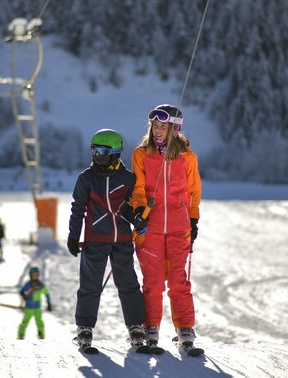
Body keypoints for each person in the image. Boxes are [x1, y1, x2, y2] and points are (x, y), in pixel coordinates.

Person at [67, 129, 147, 350]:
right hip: (95, 240)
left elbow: (130, 209)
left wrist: (138, 219)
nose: (96, 154)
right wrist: (74, 236)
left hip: (121, 240)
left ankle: (135, 327)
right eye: (93, 149)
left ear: (115, 153)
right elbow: (78, 209)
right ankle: (84, 328)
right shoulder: (86, 178)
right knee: (90, 286)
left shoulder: (128, 178)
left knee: (128, 284)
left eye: (101, 150)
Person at [130, 104, 202, 348]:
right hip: (149, 227)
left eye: (163, 126)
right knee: (152, 281)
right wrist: (139, 211)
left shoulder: (187, 158)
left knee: (178, 281)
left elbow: (193, 192)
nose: (158, 131)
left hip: (179, 228)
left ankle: (185, 329)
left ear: (175, 129)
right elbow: (138, 188)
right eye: (155, 126)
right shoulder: (141, 154)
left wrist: (193, 219)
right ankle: (150, 327)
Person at [17, 267, 52, 340]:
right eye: (34, 274)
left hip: (37, 308)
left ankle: (41, 334)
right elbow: (21, 291)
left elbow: (47, 294)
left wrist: (49, 303)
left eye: (37, 274)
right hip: (28, 308)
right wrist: (24, 295)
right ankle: (20, 335)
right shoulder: (28, 285)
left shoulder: (40, 285)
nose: (35, 276)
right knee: (25, 322)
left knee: (39, 322)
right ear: (30, 275)